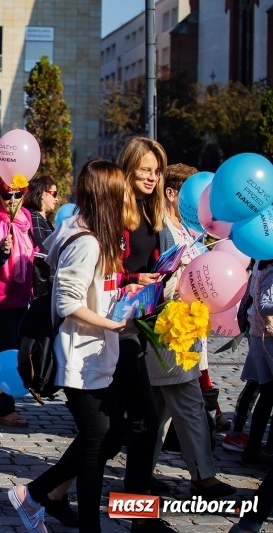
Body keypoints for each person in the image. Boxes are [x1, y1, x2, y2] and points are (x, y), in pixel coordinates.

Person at [8, 160, 131, 533]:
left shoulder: (87, 232)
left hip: (95, 352)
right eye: (120, 189)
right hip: (81, 356)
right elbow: (67, 302)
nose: (127, 196)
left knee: (104, 438)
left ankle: (34, 494)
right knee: (96, 443)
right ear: (107, 195)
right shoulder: (88, 241)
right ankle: (75, 519)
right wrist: (112, 322)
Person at [148, 162, 236, 498]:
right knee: (190, 406)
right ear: (172, 194)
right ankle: (203, 476)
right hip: (169, 333)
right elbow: (159, 282)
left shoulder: (187, 229)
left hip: (187, 331)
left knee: (157, 410)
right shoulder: (161, 229)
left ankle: (140, 470)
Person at [111, 136, 177, 533]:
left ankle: (48, 492)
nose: (152, 177)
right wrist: (134, 278)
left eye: (157, 171)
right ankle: (139, 519)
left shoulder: (151, 213)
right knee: (142, 423)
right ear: (128, 168)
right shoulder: (114, 213)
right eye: (145, 169)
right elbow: (100, 272)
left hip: (135, 326)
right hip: (110, 329)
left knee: (116, 429)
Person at [0, 177, 34, 428]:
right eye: (7, 196)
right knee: (7, 351)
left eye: (17, 195)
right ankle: (4, 408)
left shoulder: (26, 219)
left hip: (23, 294)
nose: (12, 201)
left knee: (20, 350)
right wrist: (1, 253)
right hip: (0, 296)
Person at [240, 259, 273, 467]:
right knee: (268, 393)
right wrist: (271, 325)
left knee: (268, 394)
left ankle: (255, 449)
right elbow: (266, 304)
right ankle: (256, 450)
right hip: (267, 339)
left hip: (263, 338)